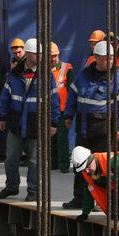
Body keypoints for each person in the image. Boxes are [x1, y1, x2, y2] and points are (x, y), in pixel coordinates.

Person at [62, 40, 119, 209]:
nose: (109, 62)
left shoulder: (118, 79)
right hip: (84, 128)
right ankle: (79, 199)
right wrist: (68, 114)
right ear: (96, 58)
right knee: (80, 165)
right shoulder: (83, 75)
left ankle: (103, 200)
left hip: (105, 130)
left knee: (103, 167)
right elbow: (72, 95)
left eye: (111, 59)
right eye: (105, 59)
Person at [0, 38, 60, 201]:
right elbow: (5, 97)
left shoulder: (46, 75)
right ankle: (11, 187)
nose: (40, 56)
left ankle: (33, 190)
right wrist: (1, 116)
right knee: (11, 158)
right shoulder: (14, 74)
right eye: (37, 53)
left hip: (36, 124)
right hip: (16, 123)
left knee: (34, 161)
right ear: (29, 54)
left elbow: (54, 101)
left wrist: (53, 122)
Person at [51, 41, 74, 173]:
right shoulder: (42, 70)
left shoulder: (67, 69)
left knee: (62, 138)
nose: (53, 59)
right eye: (50, 56)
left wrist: (70, 112)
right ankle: (53, 163)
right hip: (49, 110)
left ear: (58, 55)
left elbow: (71, 91)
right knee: (51, 139)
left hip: (63, 109)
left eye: (55, 56)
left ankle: (64, 165)